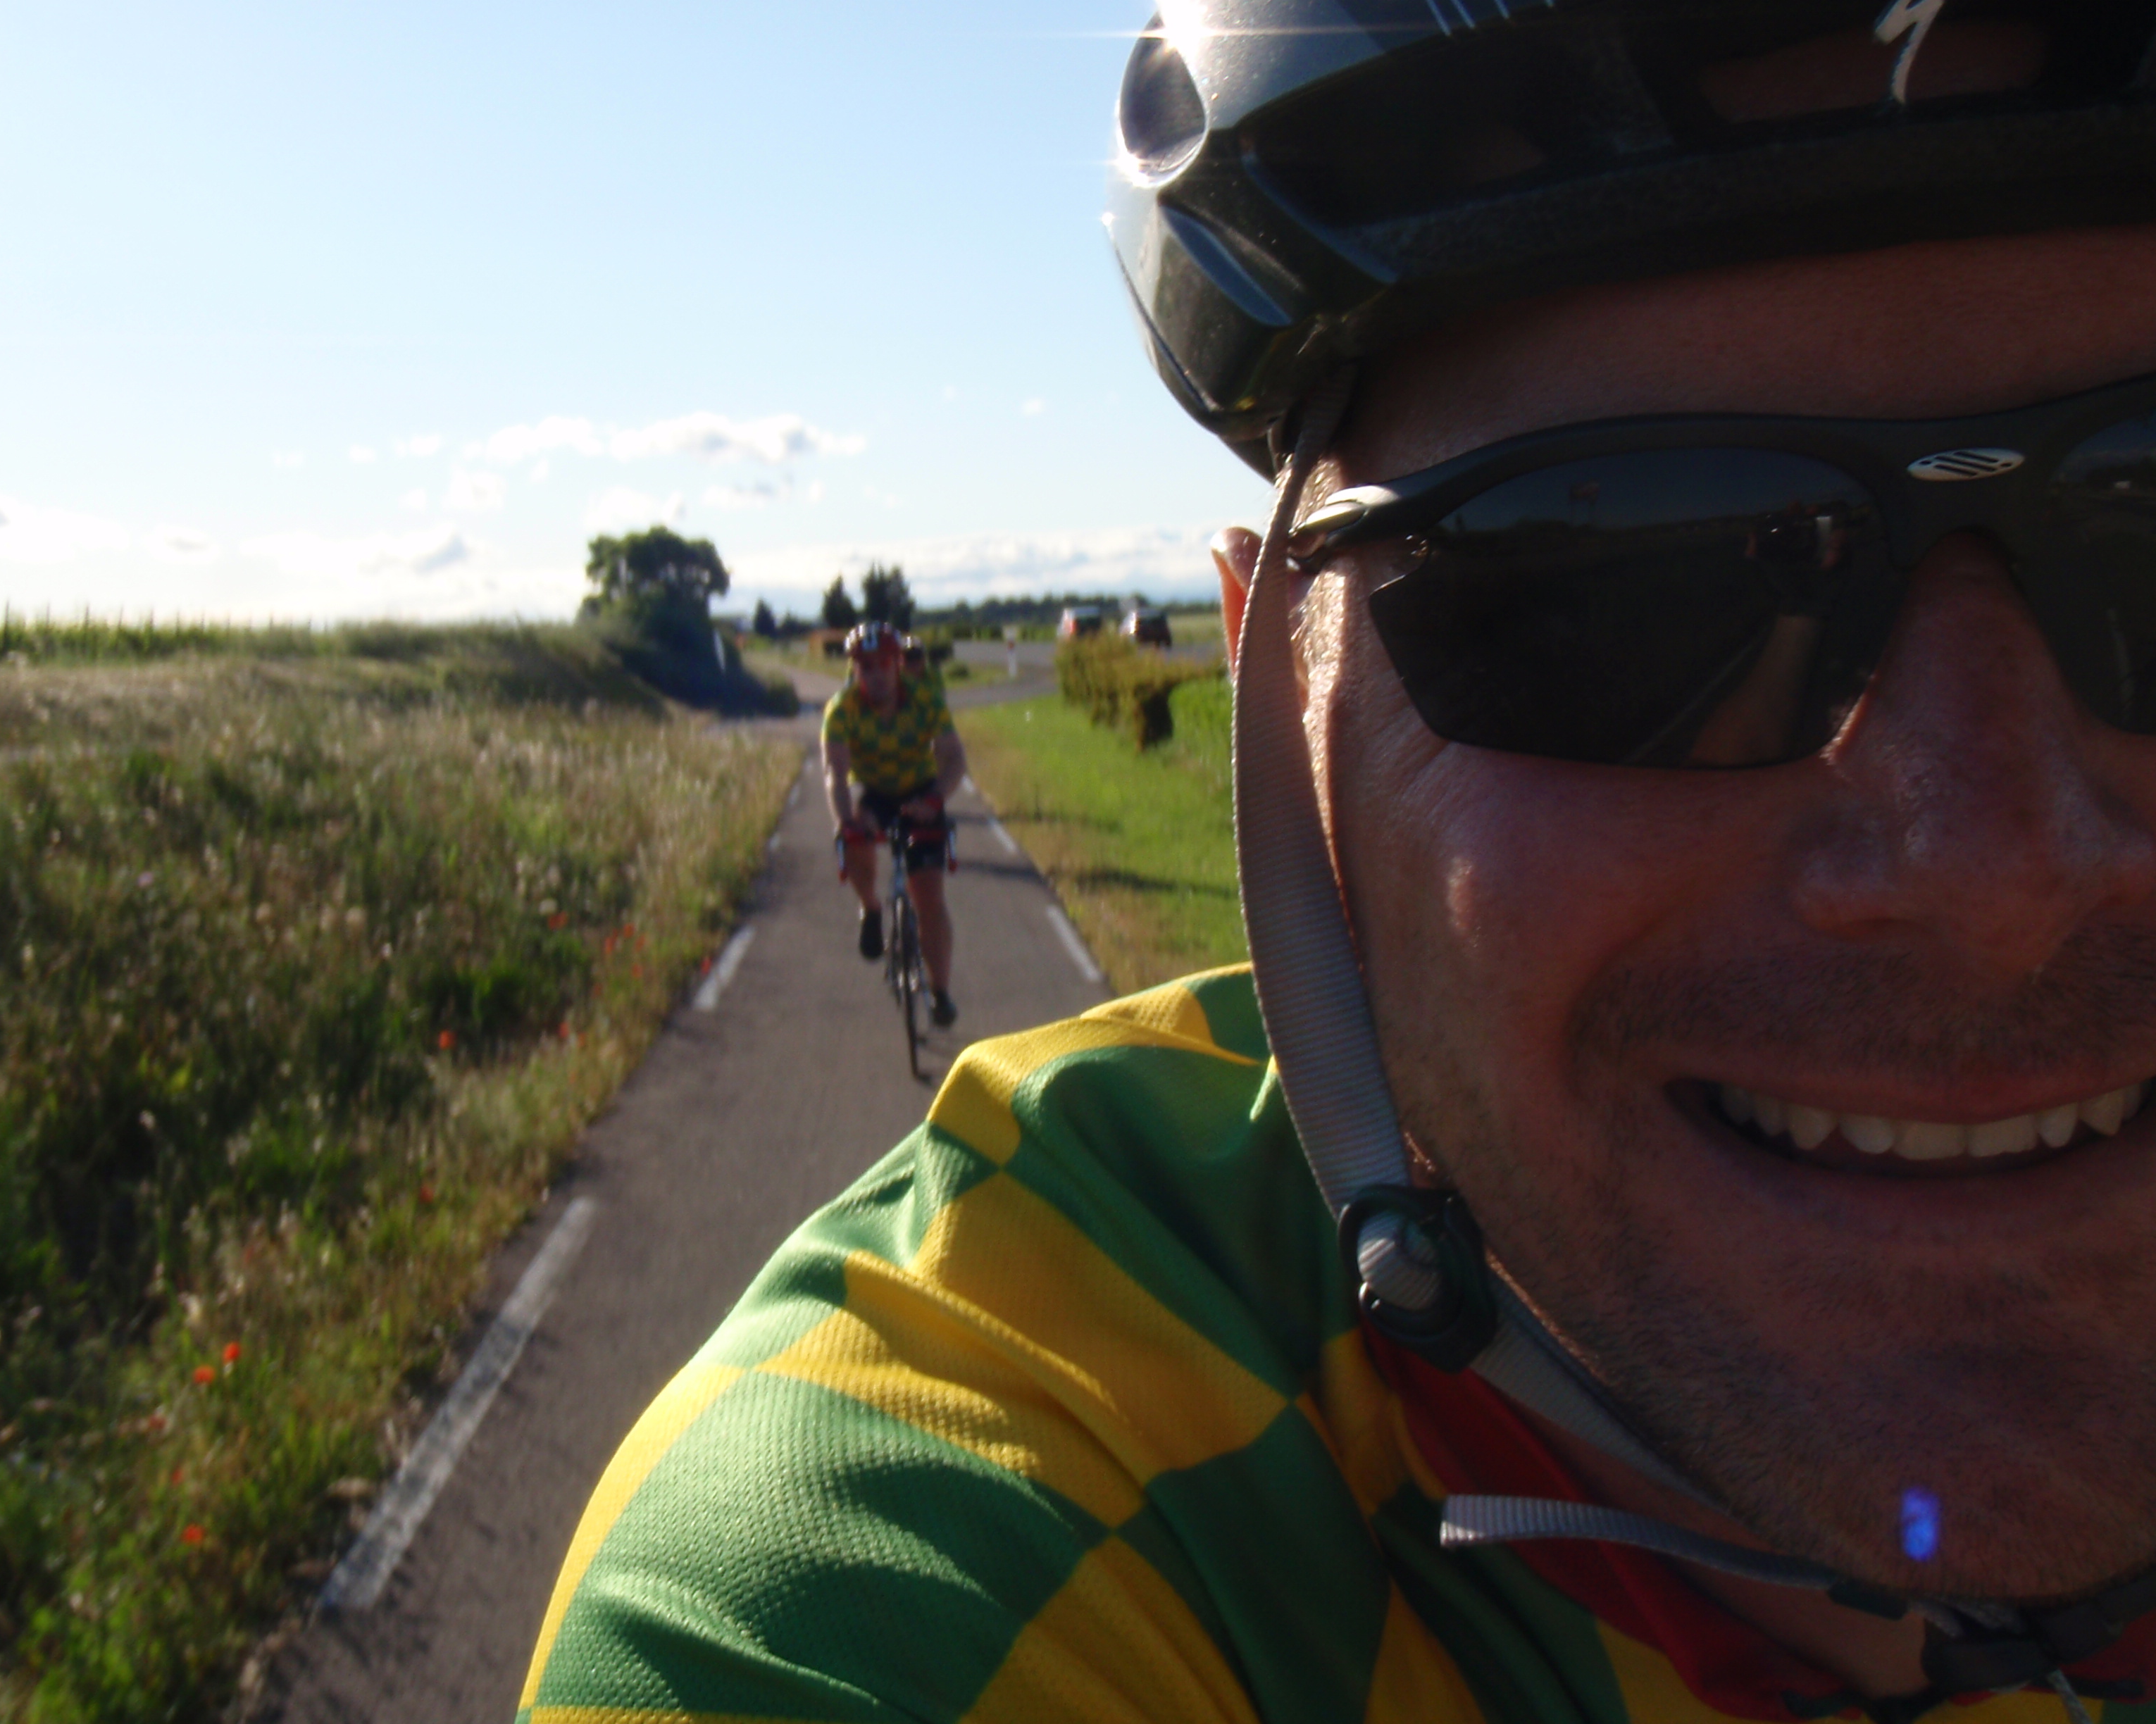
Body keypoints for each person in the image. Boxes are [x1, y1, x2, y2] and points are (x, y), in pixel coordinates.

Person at [519, 6, 2156, 1720]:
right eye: (1624, 595)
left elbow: (931, 759)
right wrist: (863, 839)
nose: (1999, 876)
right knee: (896, 866)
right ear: (1278, 706)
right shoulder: (906, 1556)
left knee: (929, 864)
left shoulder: (918, 692)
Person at [823, 620, 966, 1027]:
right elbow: (836, 773)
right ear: (854, 669)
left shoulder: (925, 699)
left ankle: (940, 991)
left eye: (884, 664)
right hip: (873, 791)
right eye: (865, 667)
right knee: (855, 834)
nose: (876, 675)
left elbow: (954, 758)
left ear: (898, 664)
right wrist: (845, 821)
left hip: (919, 790)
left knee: (929, 898)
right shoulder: (842, 709)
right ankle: (870, 908)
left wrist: (935, 799)